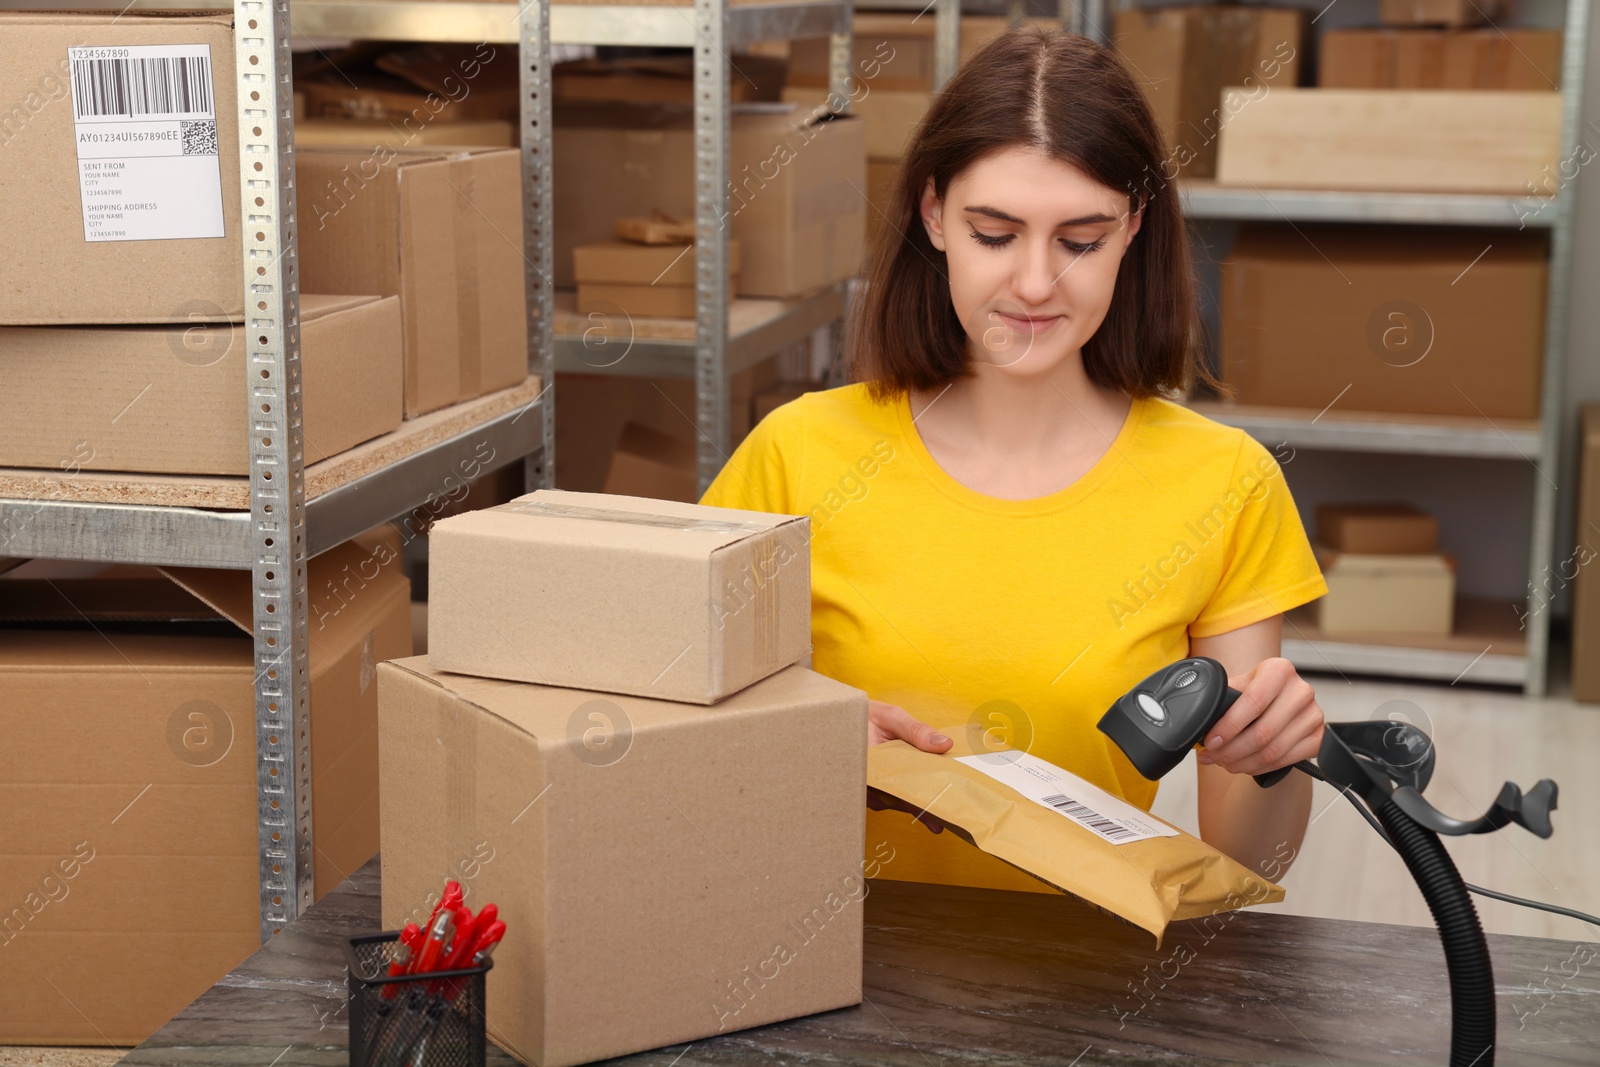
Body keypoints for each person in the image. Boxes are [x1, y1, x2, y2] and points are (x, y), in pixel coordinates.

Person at [700, 25, 1330, 891]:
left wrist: (1275, 758)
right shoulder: (797, 454)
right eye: (995, 233)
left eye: (1080, 240)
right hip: (820, 967)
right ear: (933, 216)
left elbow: (1252, 861)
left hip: (1086, 976)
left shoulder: (1226, 483)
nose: (1035, 284)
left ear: (1134, 228)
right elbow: (675, 758)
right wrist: (793, 742)